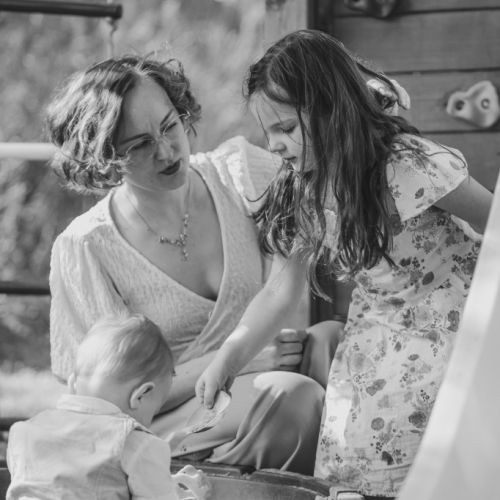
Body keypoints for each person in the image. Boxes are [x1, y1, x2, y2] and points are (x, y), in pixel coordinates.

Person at [195, 29, 493, 499]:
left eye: (286, 128)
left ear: (332, 109)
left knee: (424, 441)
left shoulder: (407, 167)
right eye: (268, 132)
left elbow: (492, 220)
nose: (274, 145)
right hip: (376, 330)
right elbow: (279, 290)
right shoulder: (303, 188)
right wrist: (227, 359)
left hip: (452, 318)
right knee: (352, 445)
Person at [46, 54, 340, 475]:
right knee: (293, 397)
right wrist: (238, 359)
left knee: (333, 343)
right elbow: (101, 402)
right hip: (168, 417)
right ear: (105, 155)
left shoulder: (239, 172)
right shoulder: (87, 247)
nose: (167, 151)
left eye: (169, 125)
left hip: (262, 375)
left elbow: (320, 182)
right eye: (139, 145)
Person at [6, 314, 210, 500]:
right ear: (140, 395)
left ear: (72, 383)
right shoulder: (136, 443)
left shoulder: (23, 433)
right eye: (155, 410)